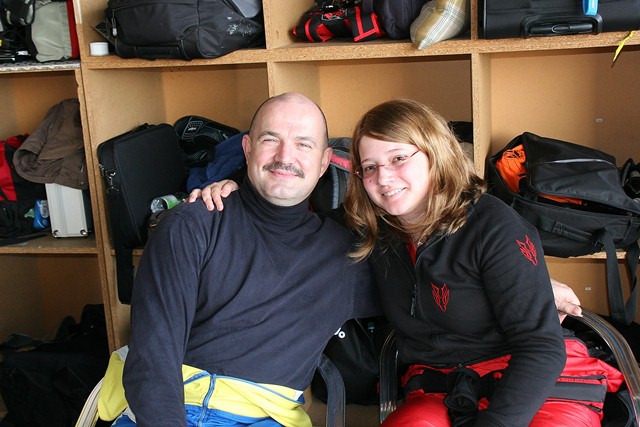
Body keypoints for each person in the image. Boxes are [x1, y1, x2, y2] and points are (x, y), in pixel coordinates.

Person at [192, 100, 618, 426]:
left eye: (399, 158)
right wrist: (235, 191)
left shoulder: (492, 224)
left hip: (537, 384)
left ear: (434, 154)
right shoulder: (367, 228)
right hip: (441, 386)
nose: (384, 178)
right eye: (369, 167)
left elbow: (541, 348)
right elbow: (286, 224)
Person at [117, 92, 381, 427]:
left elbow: (424, 296)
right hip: (177, 412)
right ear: (247, 148)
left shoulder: (347, 253)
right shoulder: (191, 226)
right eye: (271, 140)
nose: (285, 157)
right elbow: (152, 363)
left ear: (324, 161)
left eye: (303, 144)